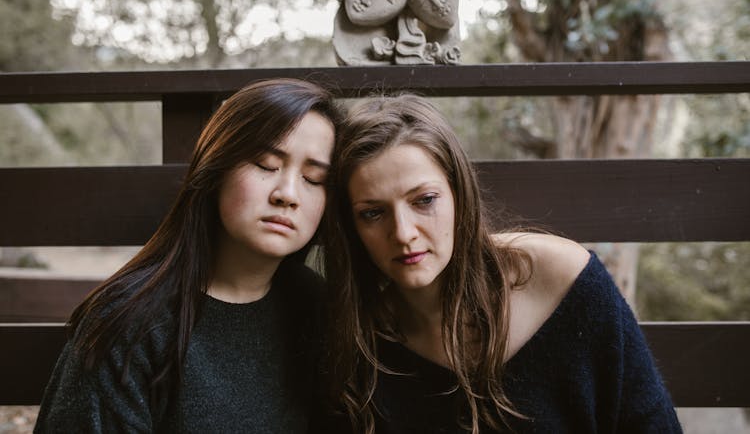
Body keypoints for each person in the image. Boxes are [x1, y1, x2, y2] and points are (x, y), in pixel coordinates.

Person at [321, 94, 682, 433]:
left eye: (424, 200)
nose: (403, 233)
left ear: (459, 194)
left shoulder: (560, 277)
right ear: (351, 227)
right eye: (372, 213)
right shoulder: (359, 340)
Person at [34, 78, 341, 433]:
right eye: (266, 164)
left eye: (314, 179)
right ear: (216, 169)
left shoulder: (315, 305)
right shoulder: (129, 327)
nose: (288, 194)